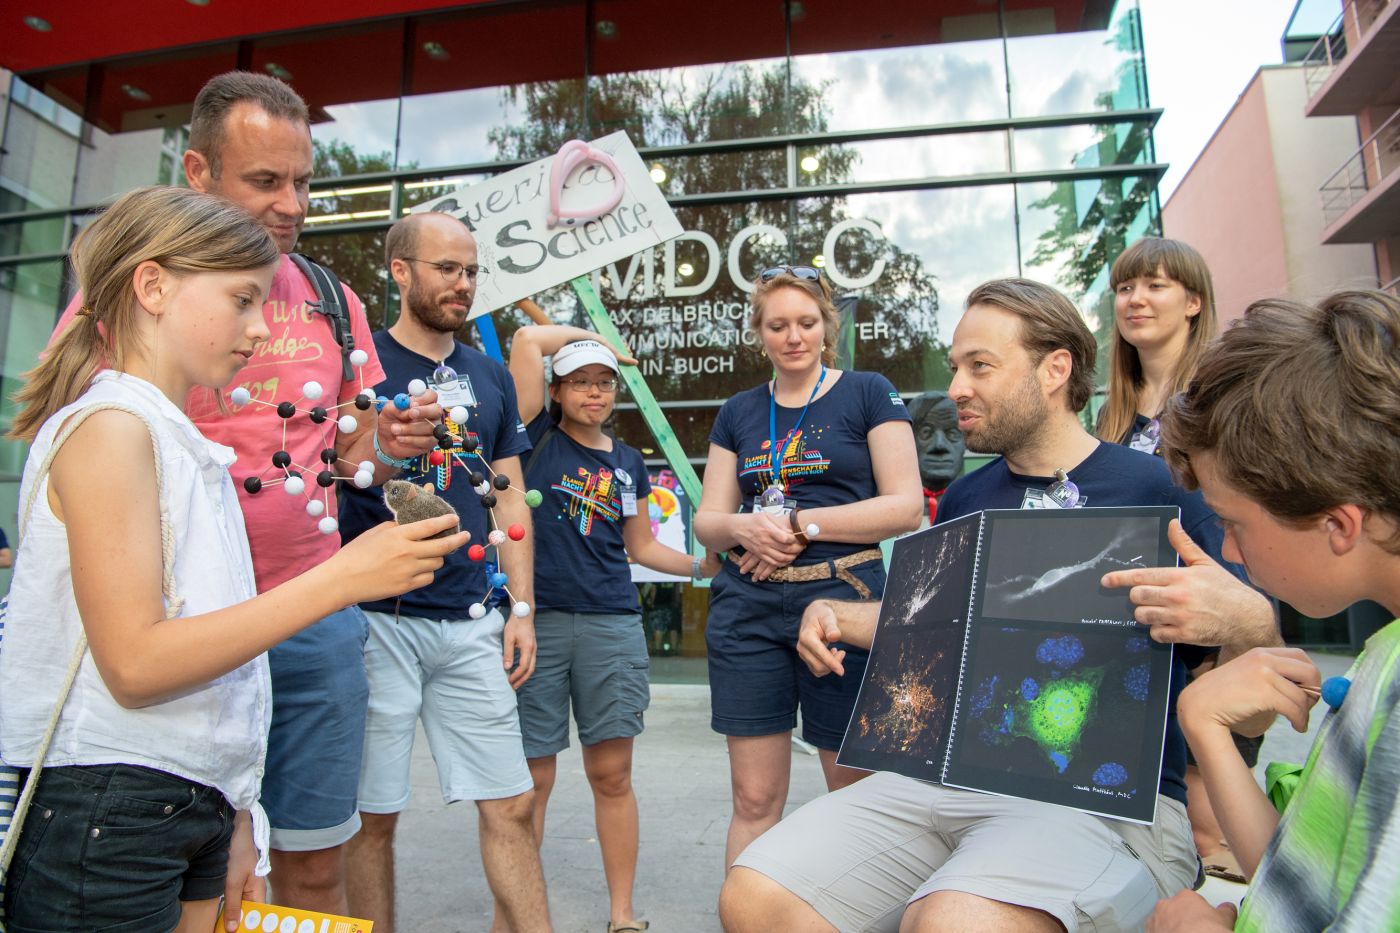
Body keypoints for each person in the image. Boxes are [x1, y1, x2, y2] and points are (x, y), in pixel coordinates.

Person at [721, 278, 1277, 933]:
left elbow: (1253, 686)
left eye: (979, 366)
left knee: (955, 923)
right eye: (956, 366)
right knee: (754, 897)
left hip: (1105, 798)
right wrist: (838, 616)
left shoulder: (1160, 490)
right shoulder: (965, 498)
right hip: (948, 776)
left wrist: (1250, 623)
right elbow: (950, 630)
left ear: (1056, 368)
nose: (955, 387)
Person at [0, 186, 464, 933]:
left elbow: (216, 658)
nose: (260, 328)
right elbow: (137, 663)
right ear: (152, 286)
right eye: (243, 300)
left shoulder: (180, 442)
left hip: (177, 801)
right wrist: (343, 576)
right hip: (106, 807)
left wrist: (235, 810)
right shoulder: (112, 429)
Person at [1146, 290, 1400, 932]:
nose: (1228, 548)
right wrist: (1202, 723)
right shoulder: (1385, 650)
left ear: (1337, 524)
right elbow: (1311, 883)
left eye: (1232, 522)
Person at [339, 212, 547, 933]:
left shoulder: (488, 375)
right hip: (375, 620)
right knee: (372, 816)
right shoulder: (360, 369)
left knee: (512, 802)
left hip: (470, 621)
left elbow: (508, 492)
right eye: (446, 268)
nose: (463, 284)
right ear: (401, 271)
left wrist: (521, 606)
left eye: (470, 271)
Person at [694, 264, 922, 869]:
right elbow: (707, 521)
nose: (793, 336)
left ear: (828, 327)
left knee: (857, 792)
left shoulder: (868, 391)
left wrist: (801, 525)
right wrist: (745, 527)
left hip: (845, 600)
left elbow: (905, 506)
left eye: (806, 322)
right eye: (777, 325)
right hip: (749, 603)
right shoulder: (739, 410)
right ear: (759, 334)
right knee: (754, 796)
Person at [508, 325, 721, 933]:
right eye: (580, 381)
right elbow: (526, 339)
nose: (595, 393)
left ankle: (622, 915)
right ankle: (521, 914)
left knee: (612, 774)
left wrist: (699, 567)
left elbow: (643, 546)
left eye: (605, 382)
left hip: (611, 623)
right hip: (537, 623)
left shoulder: (629, 462)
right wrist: (594, 336)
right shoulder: (530, 441)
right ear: (555, 390)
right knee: (533, 781)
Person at [1098, 237, 1279, 869]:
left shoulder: (1227, 394)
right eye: (1124, 288)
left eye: (1155, 285)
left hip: (1219, 606)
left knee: (1214, 832)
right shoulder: (1112, 414)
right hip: (1146, 623)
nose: (1136, 299)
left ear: (1194, 301)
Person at [907, 390, 965, 526]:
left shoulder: (977, 503)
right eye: (926, 433)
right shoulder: (889, 507)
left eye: (952, 433)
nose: (939, 445)